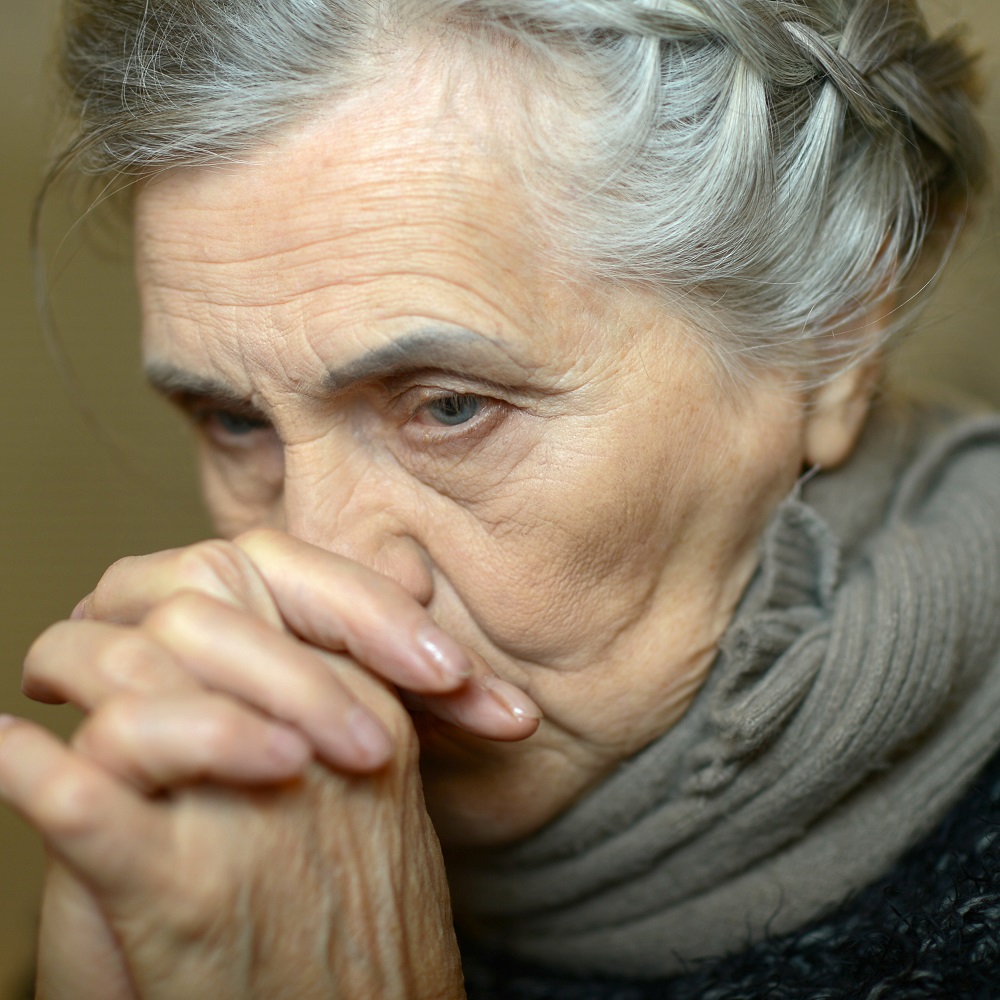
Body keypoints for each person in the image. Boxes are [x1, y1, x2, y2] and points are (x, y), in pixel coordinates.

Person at [1, 0, 999, 996]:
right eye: (235, 423)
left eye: (447, 408)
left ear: (828, 344)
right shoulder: (203, 879)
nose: (323, 573)